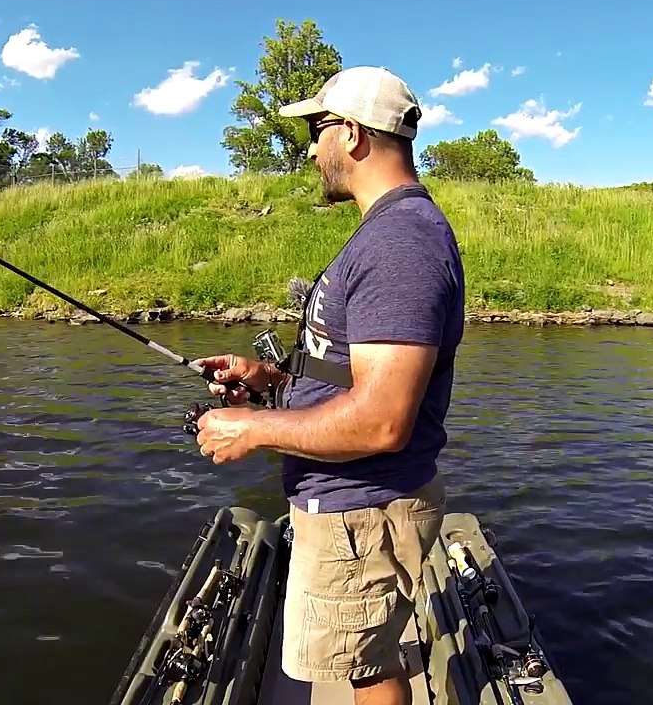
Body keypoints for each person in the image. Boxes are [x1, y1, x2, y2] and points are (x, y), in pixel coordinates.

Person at [191, 66, 465, 705]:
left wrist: (252, 427)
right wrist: (271, 381)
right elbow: (350, 376)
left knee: (359, 671)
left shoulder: (399, 244)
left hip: (359, 511)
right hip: (352, 507)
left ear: (353, 135)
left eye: (318, 132)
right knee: (364, 665)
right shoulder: (392, 235)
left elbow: (382, 420)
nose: (312, 151)